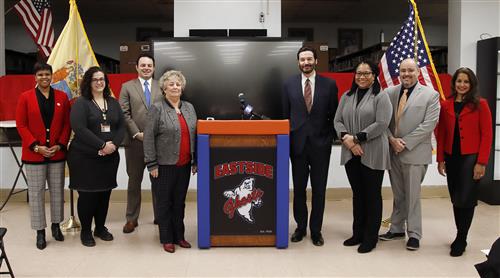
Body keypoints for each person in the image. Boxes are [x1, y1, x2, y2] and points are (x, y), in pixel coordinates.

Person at [378, 58, 440, 251]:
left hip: (415, 152)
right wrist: (391, 140)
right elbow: (382, 121)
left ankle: (414, 234)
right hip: (393, 151)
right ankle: (396, 229)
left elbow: (429, 125)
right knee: (398, 194)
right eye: (403, 71)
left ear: (418, 73)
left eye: (410, 71)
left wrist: (404, 143)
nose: (406, 74)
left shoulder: (431, 95)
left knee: (412, 195)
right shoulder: (388, 93)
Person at [333, 60, 392, 253]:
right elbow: (337, 120)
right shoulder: (347, 96)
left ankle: (370, 238)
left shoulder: (381, 97)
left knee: (372, 196)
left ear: (374, 76)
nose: (361, 77)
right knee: (358, 195)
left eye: (366, 73)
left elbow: (382, 123)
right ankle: (357, 233)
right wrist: (348, 141)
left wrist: (357, 138)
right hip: (351, 153)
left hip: (372, 152)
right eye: (359, 73)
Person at [282, 46, 338, 246]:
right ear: (298, 62)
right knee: (298, 189)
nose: (306, 62)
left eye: (309, 59)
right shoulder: (288, 84)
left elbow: (334, 115)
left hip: (321, 146)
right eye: (302, 59)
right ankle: (300, 227)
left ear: (316, 61)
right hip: (296, 146)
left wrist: (329, 137)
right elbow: (284, 116)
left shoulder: (329, 85)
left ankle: (316, 230)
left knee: (319, 190)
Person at [436, 67, 492, 257]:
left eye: (466, 81)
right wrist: (440, 159)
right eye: (459, 81)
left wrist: (482, 162)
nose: (462, 85)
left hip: (471, 158)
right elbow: (441, 132)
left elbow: (487, 135)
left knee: (466, 199)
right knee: (455, 197)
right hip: (452, 157)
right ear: (454, 84)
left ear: (472, 84)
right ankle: (460, 233)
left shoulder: (481, 104)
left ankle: (461, 237)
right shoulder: (446, 105)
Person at [67, 67, 125, 247]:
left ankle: (100, 228)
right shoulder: (81, 103)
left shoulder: (113, 102)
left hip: (109, 158)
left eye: (102, 79)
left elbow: (121, 126)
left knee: (104, 195)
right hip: (85, 157)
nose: (100, 82)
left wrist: (113, 145)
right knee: (87, 196)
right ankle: (86, 230)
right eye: (95, 79)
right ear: (88, 82)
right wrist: (101, 145)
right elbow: (79, 128)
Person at [15, 62, 71, 250]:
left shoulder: (62, 97)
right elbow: (21, 125)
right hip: (34, 155)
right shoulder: (25, 97)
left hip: (57, 153)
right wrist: (36, 147)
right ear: (35, 77)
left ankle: (56, 226)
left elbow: (66, 124)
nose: (44, 77)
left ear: (52, 76)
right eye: (40, 75)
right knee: (36, 193)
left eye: (47, 74)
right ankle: (40, 231)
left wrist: (59, 145)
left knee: (57, 191)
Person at [143, 70, 197, 253]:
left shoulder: (189, 107)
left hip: (184, 165)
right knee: (164, 203)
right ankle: (166, 238)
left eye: (178, 84)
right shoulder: (157, 108)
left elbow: (195, 135)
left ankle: (179, 236)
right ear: (164, 88)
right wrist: (151, 163)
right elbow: (149, 137)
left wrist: (195, 159)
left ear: (182, 87)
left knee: (179, 202)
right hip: (163, 166)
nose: (175, 87)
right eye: (171, 84)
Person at [119, 54, 162, 233]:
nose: (146, 68)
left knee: (158, 182)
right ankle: (131, 219)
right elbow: (124, 113)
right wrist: (137, 133)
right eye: (142, 65)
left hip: (158, 142)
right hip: (135, 142)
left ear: (153, 67)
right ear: (136, 67)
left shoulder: (162, 86)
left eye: (149, 65)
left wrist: (153, 135)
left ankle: (160, 216)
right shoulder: (127, 87)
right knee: (134, 182)